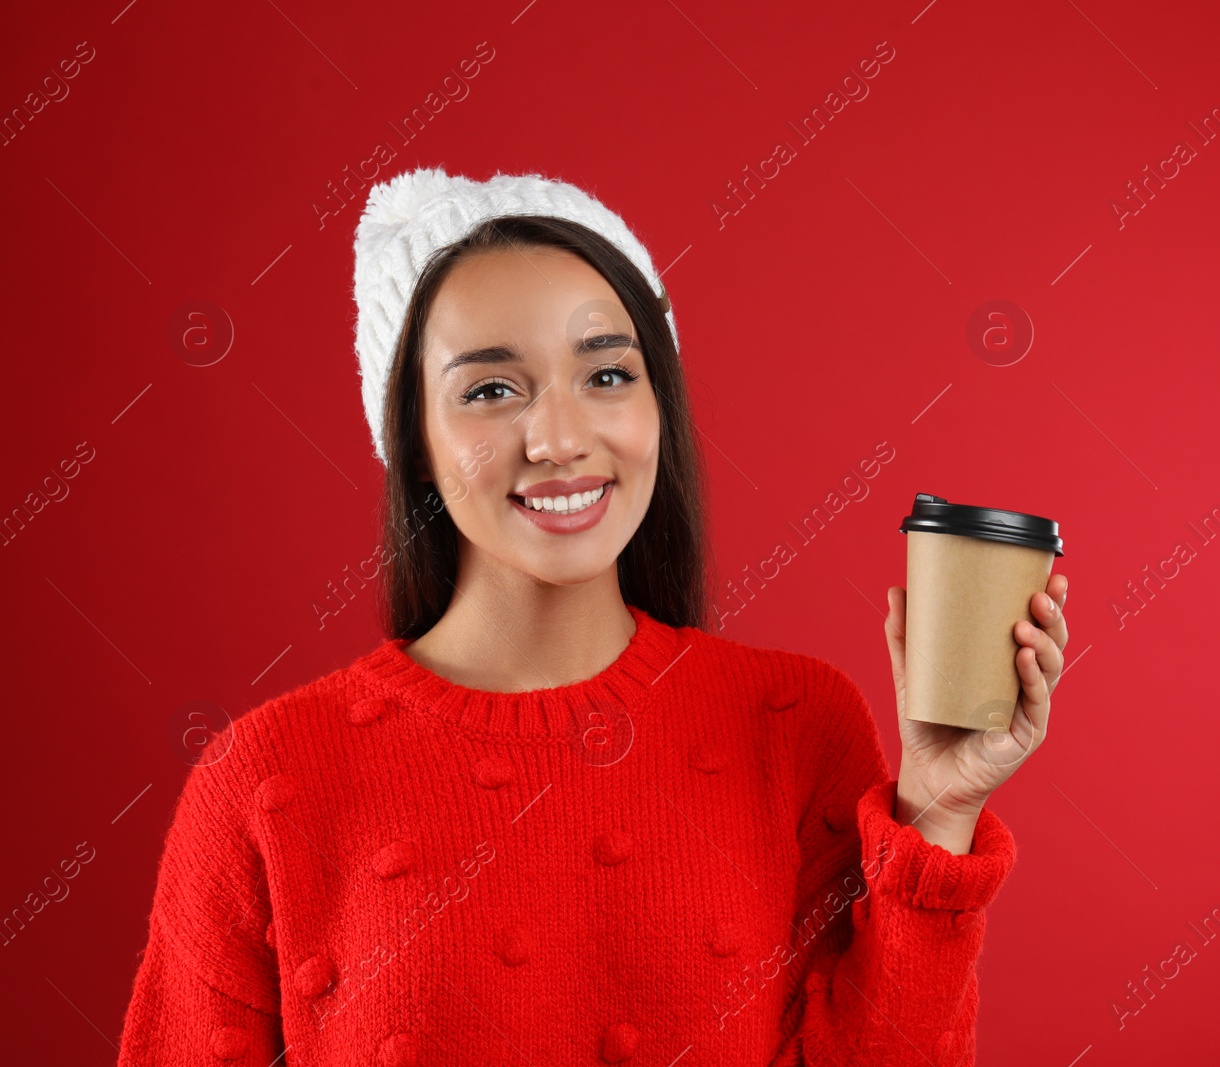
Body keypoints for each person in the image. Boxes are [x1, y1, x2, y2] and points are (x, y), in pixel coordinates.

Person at [115, 167, 1069, 1066]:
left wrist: (941, 812)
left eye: (607, 374)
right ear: (410, 436)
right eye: (490, 389)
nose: (561, 437)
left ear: (659, 401)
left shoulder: (797, 722)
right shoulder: (263, 781)